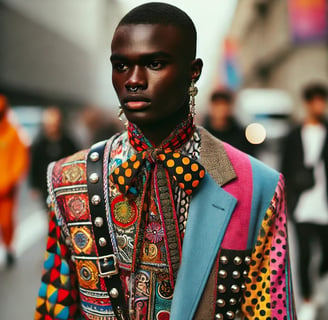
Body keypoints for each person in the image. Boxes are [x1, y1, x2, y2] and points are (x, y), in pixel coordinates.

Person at [35, 3, 296, 319]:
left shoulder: (257, 187)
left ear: (193, 71)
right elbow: (54, 308)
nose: (133, 80)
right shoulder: (68, 179)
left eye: (155, 63)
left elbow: (272, 311)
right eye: (121, 66)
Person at [281, 82, 328, 320]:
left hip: (325, 203)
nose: (318, 105)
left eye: (322, 100)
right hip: (302, 204)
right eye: (314, 101)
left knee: (325, 253)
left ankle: (320, 282)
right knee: (304, 254)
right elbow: (284, 169)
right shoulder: (293, 134)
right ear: (307, 103)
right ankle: (308, 299)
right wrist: (286, 199)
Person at [0, 94, 29, 267]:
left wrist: (11, 180)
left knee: (6, 221)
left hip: (7, 188)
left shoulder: (12, 133)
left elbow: (20, 158)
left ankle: (9, 246)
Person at [30, 106, 79, 203]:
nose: (52, 128)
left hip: (65, 183)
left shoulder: (68, 141)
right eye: (49, 125)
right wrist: (34, 185)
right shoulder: (40, 143)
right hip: (45, 184)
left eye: (54, 124)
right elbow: (34, 165)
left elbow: (76, 159)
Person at [203, 88, 256, 156]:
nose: (220, 109)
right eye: (217, 105)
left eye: (224, 105)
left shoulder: (241, 135)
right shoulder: (203, 134)